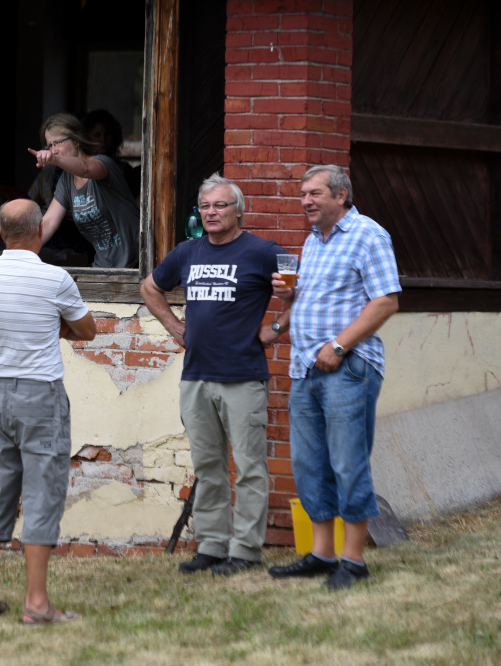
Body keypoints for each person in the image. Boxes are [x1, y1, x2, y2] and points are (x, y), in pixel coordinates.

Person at [140, 173, 285, 576]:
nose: (211, 212)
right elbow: (150, 288)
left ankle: (246, 551)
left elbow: (304, 287)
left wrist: (276, 328)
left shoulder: (263, 252)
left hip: (243, 376)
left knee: (250, 468)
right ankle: (212, 546)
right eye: (205, 206)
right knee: (207, 466)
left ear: (239, 211)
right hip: (196, 377)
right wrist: (174, 327)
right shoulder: (187, 252)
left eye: (220, 205)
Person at [266, 164, 401, 590]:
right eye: (303, 194)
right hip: (305, 367)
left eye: (315, 193)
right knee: (310, 464)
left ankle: (354, 560)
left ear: (341, 195)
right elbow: (314, 300)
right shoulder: (313, 241)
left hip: (348, 366)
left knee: (347, 462)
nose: (305, 201)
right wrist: (289, 297)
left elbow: (386, 301)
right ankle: (323, 554)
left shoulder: (368, 235)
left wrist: (339, 346)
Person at [0, 198, 96, 624]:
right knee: (42, 493)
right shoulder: (54, 277)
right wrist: (54, 326)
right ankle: (37, 603)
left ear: (1, 232)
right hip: (39, 394)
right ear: (41, 229)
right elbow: (87, 330)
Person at [28, 112, 139, 268]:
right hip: (103, 267)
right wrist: (23, 251)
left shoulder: (103, 163)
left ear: (77, 140)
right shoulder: (66, 180)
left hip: (136, 264)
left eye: (57, 143)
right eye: (50, 146)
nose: (53, 150)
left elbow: (85, 169)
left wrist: (54, 159)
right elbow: (48, 222)